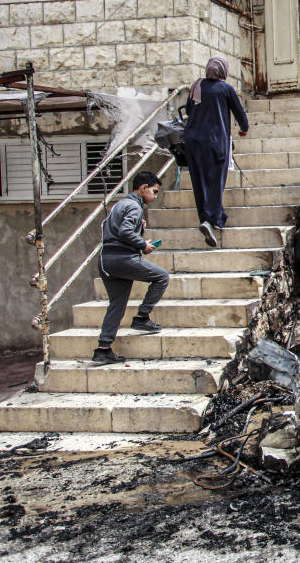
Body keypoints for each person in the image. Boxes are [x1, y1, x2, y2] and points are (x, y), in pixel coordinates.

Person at [94, 170, 168, 365]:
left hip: (106, 261)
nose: (155, 195)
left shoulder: (120, 205)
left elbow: (118, 231)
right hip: (122, 259)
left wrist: (139, 237)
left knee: (117, 304)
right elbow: (125, 231)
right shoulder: (135, 206)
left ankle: (103, 349)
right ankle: (142, 317)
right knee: (162, 277)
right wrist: (143, 245)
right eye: (154, 191)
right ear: (143, 188)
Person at [183, 55, 249, 248]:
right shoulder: (225, 88)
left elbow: (188, 110)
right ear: (224, 71)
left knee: (199, 180)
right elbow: (239, 113)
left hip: (193, 141)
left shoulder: (196, 85)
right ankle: (210, 219)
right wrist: (244, 128)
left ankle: (214, 217)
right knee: (215, 180)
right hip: (215, 141)